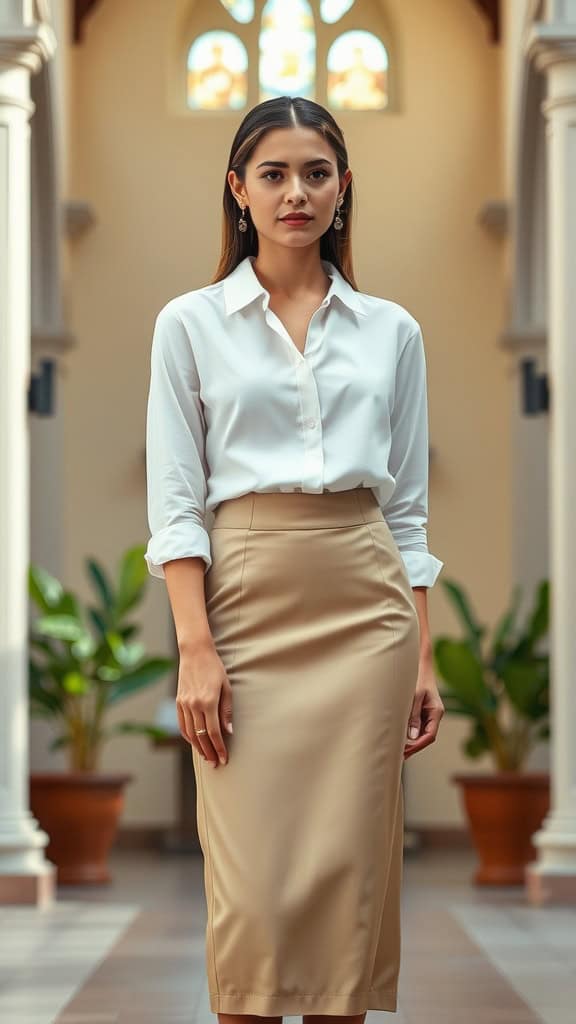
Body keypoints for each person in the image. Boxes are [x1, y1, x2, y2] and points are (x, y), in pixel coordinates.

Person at [144, 95, 445, 1022]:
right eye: (273, 174)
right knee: (253, 900)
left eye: (316, 173)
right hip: (243, 602)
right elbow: (178, 504)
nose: (295, 193)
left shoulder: (392, 331)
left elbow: (407, 514)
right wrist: (195, 647)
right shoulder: (189, 324)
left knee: (343, 891)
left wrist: (424, 655)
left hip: (366, 611)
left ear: (343, 189)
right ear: (238, 190)